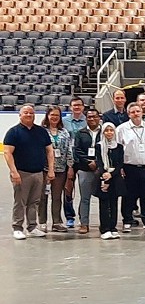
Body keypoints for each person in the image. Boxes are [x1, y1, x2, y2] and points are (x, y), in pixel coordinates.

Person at [4, 105, 55, 240]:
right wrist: (14, 172)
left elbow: (49, 151)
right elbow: (8, 153)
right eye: (25, 113)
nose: (28, 115)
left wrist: (50, 169)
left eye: (31, 113)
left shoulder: (41, 132)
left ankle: (32, 227)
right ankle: (17, 227)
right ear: (20, 115)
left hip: (38, 173)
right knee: (20, 202)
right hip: (21, 173)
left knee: (34, 202)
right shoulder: (13, 132)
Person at [117, 102, 145, 232]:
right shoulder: (121, 129)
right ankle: (127, 220)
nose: (135, 114)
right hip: (129, 167)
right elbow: (118, 150)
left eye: (138, 111)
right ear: (128, 114)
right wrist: (119, 167)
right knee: (128, 195)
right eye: (133, 112)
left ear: (142, 112)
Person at [39, 106, 74, 233]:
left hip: (61, 169)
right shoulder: (41, 131)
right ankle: (42, 222)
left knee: (57, 196)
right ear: (47, 116)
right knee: (43, 196)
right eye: (52, 115)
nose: (54, 117)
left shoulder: (64, 132)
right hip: (44, 169)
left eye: (57, 115)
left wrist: (70, 166)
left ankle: (57, 222)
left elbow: (69, 150)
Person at [72, 108, 102, 234]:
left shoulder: (104, 132)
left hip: (101, 169)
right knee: (85, 198)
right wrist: (89, 162)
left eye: (94, 116)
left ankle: (105, 223)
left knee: (103, 198)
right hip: (85, 169)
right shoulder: (80, 133)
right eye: (89, 117)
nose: (92, 119)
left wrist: (98, 162)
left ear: (99, 118)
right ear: (86, 118)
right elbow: (77, 150)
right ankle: (84, 223)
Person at [94, 123, 124, 240]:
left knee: (114, 203)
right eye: (107, 130)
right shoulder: (99, 146)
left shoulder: (119, 147)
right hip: (103, 177)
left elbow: (120, 163)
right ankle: (105, 228)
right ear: (103, 133)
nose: (109, 132)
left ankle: (113, 227)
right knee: (104, 203)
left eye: (111, 130)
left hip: (115, 177)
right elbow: (99, 162)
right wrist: (104, 174)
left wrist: (111, 174)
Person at [61, 96, 86, 227]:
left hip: (83, 158)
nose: (77, 107)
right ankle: (69, 216)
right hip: (67, 159)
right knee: (68, 188)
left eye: (79, 105)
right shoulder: (63, 121)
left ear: (83, 107)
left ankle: (84, 217)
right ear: (70, 107)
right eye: (74, 105)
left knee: (84, 188)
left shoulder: (88, 121)